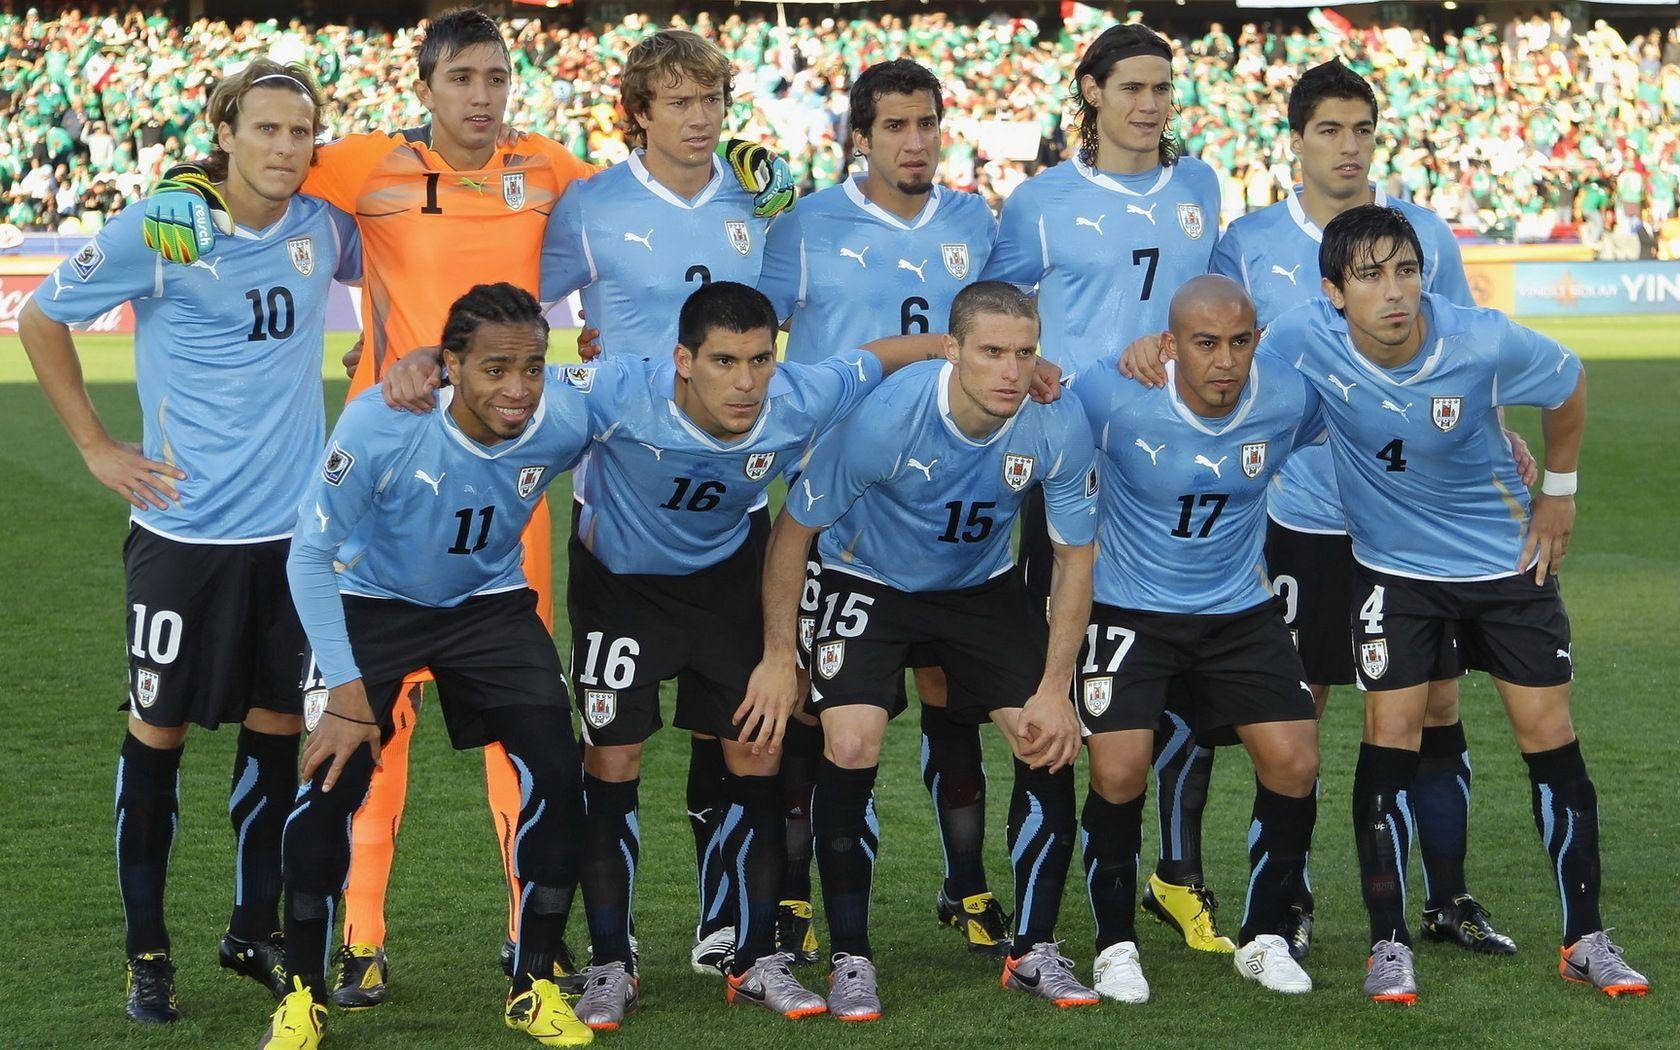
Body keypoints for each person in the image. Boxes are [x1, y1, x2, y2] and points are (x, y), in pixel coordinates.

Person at [139, 9, 792, 1004]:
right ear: (428, 86)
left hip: (509, 473)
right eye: (464, 79)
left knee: (524, 715)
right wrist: (186, 182)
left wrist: (747, 160)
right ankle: (361, 937)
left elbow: (652, 197)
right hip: (390, 463)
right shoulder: (359, 165)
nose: (483, 97)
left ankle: (532, 934)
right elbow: (256, 174)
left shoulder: (553, 171)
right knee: (371, 713)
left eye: (497, 78)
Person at [1125, 60, 1519, 962]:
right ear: (1296, 141)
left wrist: (1497, 441)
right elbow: (1209, 343)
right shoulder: (1250, 240)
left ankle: (1447, 898)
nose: (1348, 148)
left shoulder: (1423, 235)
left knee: (1433, 704)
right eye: (1330, 131)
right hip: (1303, 514)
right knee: (1293, 709)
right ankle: (1288, 899)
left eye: (1362, 131)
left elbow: (1462, 356)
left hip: (1415, 518)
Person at [17, 61, 359, 1023]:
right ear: (225, 130)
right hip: (183, 536)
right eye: (266, 130)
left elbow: (413, 258)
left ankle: (254, 930)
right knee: (156, 734)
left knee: (277, 732)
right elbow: (42, 315)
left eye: (301, 131)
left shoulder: (322, 227)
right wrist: (93, 445)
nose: (286, 148)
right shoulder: (167, 225)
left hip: (291, 541)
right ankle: (147, 951)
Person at [1273, 204, 1647, 1004]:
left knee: (1549, 735)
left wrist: (1560, 493)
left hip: (1506, 565)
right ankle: (1389, 944)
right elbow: (1231, 378)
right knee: (1389, 737)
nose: (1395, 290)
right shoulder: (1303, 337)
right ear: (1334, 292)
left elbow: (1568, 383)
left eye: (1406, 270)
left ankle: (1586, 938)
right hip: (1394, 573)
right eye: (1370, 276)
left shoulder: (1481, 337)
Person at [746, 281, 1100, 1020]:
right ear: (953, 350)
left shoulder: (1054, 421)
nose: (1011, 370)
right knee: (850, 742)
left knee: (1046, 738)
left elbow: (1074, 558)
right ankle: (851, 957)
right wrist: (782, 655)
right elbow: (793, 532)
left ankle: (1033, 950)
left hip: (979, 585)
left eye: (1024, 352)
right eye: (992, 352)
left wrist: (1056, 685)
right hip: (865, 576)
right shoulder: (888, 419)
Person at [266, 283, 594, 1050]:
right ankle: (303, 996)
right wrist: (348, 697)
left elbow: (649, 383)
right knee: (328, 782)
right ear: (450, 366)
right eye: (494, 369)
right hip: (370, 601)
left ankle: (534, 982)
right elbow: (310, 554)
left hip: (488, 604)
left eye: (533, 368)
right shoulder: (384, 422)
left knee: (559, 771)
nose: (517, 389)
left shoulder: (562, 411)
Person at [981, 21, 1228, 954]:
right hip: (1074, 467)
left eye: (1164, 88)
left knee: (1178, 674)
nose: (1152, 103)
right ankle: (1035, 905)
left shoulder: (1200, 184)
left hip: (1177, 468)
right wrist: (1055, 366)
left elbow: (1216, 312)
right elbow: (1002, 321)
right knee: (1053, 680)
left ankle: (1174, 874)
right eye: (1132, 87)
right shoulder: (1041, 201)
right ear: (1091, 92)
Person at [756, 56, 1010, 961]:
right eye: (895, 126)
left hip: (953, 511)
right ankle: (793, 896)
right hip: (843, 511)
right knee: (824, 717)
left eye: (927, 123)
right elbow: (752, 335)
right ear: (857, 137)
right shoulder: (805, 227)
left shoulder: (974, 220)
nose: (915, 141)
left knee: (954, 701)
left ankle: (968, 883)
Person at [540, 30, 779, 974]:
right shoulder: (590, 207)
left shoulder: (760, 199)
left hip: (730, 520)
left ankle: (727, 931)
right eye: (676, 102)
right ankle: (614, 946)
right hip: (622, 525)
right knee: (614, 754)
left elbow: (788, 313)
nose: (699, 119)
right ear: (638, 110)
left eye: (711, 100)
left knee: (740, 742)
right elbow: (520, 309)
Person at [1063, 275, 1321, 1002]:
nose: (1225, 361)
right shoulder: (1113, 393)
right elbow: (1033, 408)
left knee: (1295, 761)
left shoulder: (1287, 397)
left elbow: (1365, 424)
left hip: (1239, 607)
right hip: (1126, 607)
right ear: (1170, 345)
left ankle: (1265, 936)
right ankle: (1115, 946)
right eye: (1205, 344)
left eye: (1240, 342)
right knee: (1118, 772)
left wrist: (1504, 444)